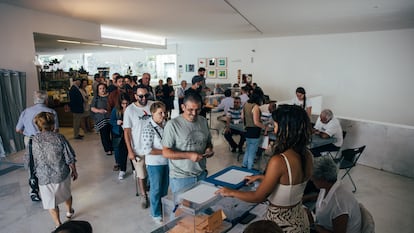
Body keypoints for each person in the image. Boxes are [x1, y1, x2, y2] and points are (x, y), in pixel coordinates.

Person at [216, 104, 313, 233]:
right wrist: (264, 177)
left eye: (277, 125)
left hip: (280, 225)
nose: (275, 130)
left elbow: (258, 196)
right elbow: (290, 183)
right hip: (298, 219)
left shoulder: (280, 160)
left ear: (287, 128)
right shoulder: (307, 154)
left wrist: (230, 192)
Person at [29, 112, 78, 228]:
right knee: (66, 194)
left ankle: (58, 224)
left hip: (43, 177)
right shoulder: (59, 138)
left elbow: (30, 160)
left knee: (50, 202)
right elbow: (69, 156)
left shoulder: (33, 140)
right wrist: (74, 170)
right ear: (52, 125)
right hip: (61, 174)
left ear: (38, 125)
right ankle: (69, 211)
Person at [162, 93, 214, 195]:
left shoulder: (203, 121)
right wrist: (189, 155)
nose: (194, 113)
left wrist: (208, 149)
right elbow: (166, 152)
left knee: (201, 205)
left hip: (201, 173)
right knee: (183, 209)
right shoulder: (173, 125)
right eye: (190, 110)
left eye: (198, 109)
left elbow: (208, 142)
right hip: (181, 178)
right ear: (183, 107)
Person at [16, 90, 59, 202]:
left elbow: (18, 129)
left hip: (31, 140)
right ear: (46, 100)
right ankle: (50, 188)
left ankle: (33, 191)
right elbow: (56, 129)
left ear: (34, 100)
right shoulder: (51, 112)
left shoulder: (26, 111)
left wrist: (28, 133)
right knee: (49, 162)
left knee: (32, 164)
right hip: (47, 139)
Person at [311, 156, 361, 233]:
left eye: (313, 179)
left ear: (323, 180)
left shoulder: (339, 204)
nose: (311, 180)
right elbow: (323, 198)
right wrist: (304, 198)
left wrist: (315, 227)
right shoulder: (331, 185)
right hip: (323, 225)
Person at [123, 84, 153, 208]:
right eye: (141, 96)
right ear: (135, 96)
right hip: (138, 148)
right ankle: (143, 195)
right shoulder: (130, 110)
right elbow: (127, 132)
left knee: (153, 172)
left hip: (153, 148)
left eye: (146, 95)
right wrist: (130, 151)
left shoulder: (153, 105)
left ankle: (153, 191)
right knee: (141, 174)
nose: (144, 98)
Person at [141, 101, 169, 224]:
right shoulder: (148, 128)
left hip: (167, 162)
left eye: (164, 112)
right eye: (160, 113)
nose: (163, 115)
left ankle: (162, 208)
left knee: (164, 188)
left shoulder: (166, 125)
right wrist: (165, 152)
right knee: (156, 189)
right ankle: (155, 213)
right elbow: (147, 149)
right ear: (152, 113)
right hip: (154, 164)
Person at [242, 89, 268, 169]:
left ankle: (244, 165)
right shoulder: (255, 107)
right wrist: (265, 127)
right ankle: (250, 168)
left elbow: (242, 117)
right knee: (252, 152)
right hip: (254, 131)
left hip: (247, 129)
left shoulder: (245, 104)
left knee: (248, 149)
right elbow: (256, 122)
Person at [110, 93, 130, 178]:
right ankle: (122, 169)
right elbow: (111, 121)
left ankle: (134, 169)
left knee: (132, 151)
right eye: (123, 103)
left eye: (126, 103)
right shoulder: (116, 110)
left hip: (129, 133)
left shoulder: (131, 109)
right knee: (121, 152)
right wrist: (116, 122)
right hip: (119, 134)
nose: (125, 105)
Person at [91, 83, 113, 156]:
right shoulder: (96, 98)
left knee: (113, 133)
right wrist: (99, 111)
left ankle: (113, 147)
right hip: (101, 118)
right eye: (100, 89)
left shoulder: (110, 96)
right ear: (98, 90)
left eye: (103, 88)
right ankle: (108, 149)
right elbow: (92, 108)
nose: (102, 90)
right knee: (104, 135)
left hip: (111, 117)